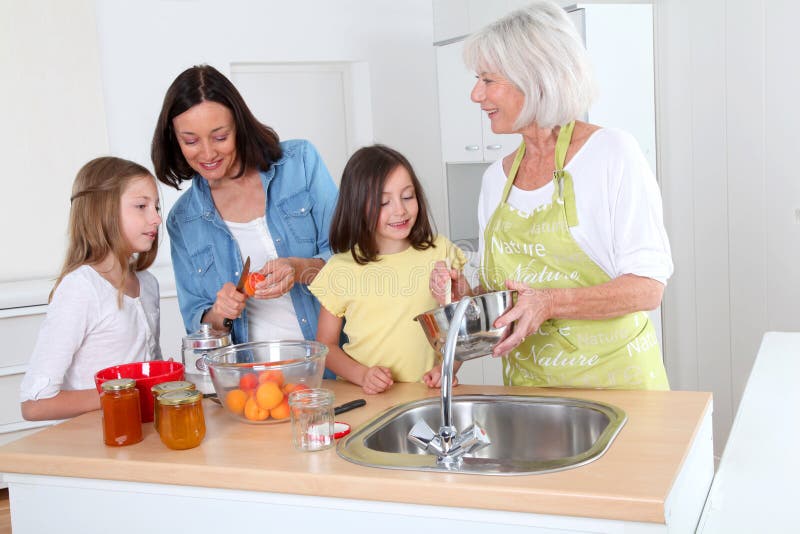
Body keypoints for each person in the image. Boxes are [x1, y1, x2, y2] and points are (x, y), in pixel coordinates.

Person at [432, 1, 673, 389]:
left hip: (618, 391)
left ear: (536, 79)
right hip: (532, 395)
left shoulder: (611, 153)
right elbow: (512, 296)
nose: (476, 95)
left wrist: (550, 303)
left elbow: (648, 287)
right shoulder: (496, 178)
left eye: (488, 80)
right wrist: (470, 297)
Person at [151, 65, 338, 368]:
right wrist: (220, 312)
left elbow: (352, 262)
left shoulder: (300, 163)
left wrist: (300, 268)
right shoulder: (183, 221)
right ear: (174, 139)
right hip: (249, 387)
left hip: (332, 370)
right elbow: (199, 328)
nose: (208, 153)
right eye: (191, 141)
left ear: (239, 125)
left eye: (220, 136)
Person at [309, 145, 467, 394]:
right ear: (357, 206)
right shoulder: (341, 269)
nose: (400, 210)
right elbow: (325, 345)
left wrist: (447, 369)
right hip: (369, 400)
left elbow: (463, 326)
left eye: (407, 196)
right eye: (384, 202)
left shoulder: (441, 252)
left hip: (426, 396)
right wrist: (363, 376)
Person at [20, 157, 163, 421]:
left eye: (156, 207)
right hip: (97, 442)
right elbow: (34, 403)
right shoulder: (81, 288)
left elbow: (150, 370)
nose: (155, 218)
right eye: (141, 206)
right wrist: (123, 392)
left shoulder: (148, 285)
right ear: (102, 210)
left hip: (142, 435)